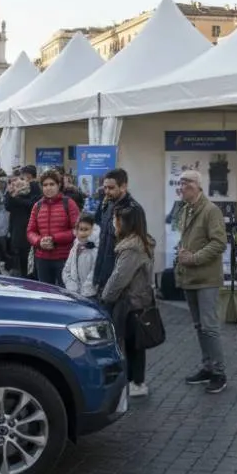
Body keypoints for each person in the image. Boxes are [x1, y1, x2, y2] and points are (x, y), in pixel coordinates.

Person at [173, 170, 228, 394]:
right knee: (199, 326)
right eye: (180, 183)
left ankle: (219, 372)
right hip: (190, 277)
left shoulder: (211, 210)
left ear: (196, 185)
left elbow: (219, 243)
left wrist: (194, 258)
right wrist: (182, 252)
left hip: (206, 278)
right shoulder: (186, 209)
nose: (181, 187)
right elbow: (189, 239)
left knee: (209, 327)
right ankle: (208, 366)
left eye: (185, 183)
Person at [99, 205, 156, 397]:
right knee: (133, 345)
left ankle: (136, 382)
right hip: (137, 301)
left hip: (131, 303)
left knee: (132, 345)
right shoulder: (138, 244)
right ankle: (134, 381)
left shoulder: (132, 248)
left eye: (117, 220)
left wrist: (105, 297)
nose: (114, 224)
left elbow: (119, 278)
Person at [26, 169, 81, 287]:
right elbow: (30, 231)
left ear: (59, 185)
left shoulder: (69, 203)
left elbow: (77, 230)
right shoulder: (37, 206)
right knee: (46, 294)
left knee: (65, 293)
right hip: (42, 259)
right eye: (45, 185)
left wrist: (54, 238)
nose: (48, 188)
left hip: (64, 258)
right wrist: (39, 241)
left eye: (52, 184)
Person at [94, 168, 145, 292]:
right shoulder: (107, 204)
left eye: (111, 188)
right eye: (105, 187)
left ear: (123, 187)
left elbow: (133, 248)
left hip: (121, 279)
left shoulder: (133, 210)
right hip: (103, 272)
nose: (106, 191)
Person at [5, 167, 41, 277]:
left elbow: (32, 204)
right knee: (18, 257)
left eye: (21, 178)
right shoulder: (15, 192)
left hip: (28, 229)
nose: (18, 181)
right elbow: (8, 207)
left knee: (27, 259)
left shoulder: (34, 187)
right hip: (17, 230)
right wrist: (10, 194)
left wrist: (16, 198)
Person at [62, 214, 99, 297]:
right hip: (74, 293)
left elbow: (94, 274)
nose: (83, 232)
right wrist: (71, 287)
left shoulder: (95, 250)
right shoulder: (75, 247)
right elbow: (66, 269)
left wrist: (85, 292)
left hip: (89, 294)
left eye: (86, 229)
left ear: (93, 230)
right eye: (80, 229)